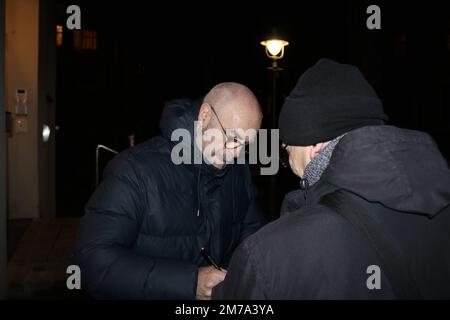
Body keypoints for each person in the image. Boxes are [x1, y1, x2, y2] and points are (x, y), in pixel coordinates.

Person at [212, 59, 450, 299]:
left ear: (314, 147)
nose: (288, 163)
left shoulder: (269, 259)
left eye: (287, 152)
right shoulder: (440, 208)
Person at [71, 82, 265, 299]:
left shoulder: (238, 172)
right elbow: (90, 261)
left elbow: (253, 236)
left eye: (246, 144)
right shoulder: (133, 171)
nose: (236, 153)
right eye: (232, 138)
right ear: (205, 115)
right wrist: (190, 282)